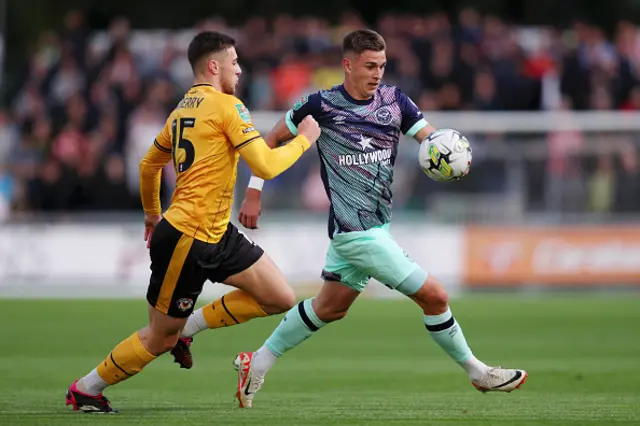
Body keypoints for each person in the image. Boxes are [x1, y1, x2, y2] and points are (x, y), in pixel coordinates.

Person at [231, 29, 528, 408]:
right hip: (356, 233)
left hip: (373, 226)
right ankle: (477, 372)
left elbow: (431, 139)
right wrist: (254, 191)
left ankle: (255, 362)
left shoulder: (395, 101)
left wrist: (451, 155)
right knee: (435, 296)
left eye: (382, 66)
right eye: (370, 66)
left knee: (330, 307)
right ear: (348, 64)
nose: (377, 73)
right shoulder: (319, 105)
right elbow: (269, 141)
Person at [64, 30, 320, 413]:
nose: (239, 69)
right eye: (234, 62)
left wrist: (152, 212)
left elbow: (149, 164)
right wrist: (304, 139)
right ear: (214, 66)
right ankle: (86, 389)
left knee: (279, 297)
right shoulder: (228, 107)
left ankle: (189, 329)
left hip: (216, 231)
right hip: (187, 237)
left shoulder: (183, 108)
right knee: (158, 338)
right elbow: (266, 164)